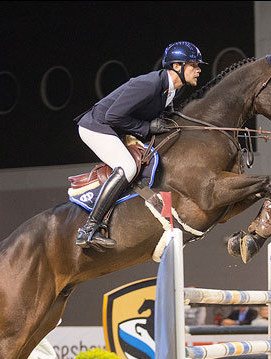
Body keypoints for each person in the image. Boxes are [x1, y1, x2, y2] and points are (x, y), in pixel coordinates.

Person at [74, 41, 206, 250]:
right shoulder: (149, 84)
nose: (198, 70)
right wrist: (147, 127)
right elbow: (113, 116)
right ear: (177, 66)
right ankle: (89, 229)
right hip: (97, 127)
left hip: (117, 128)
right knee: (128, 167)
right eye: (194, 65)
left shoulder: (173, 90)